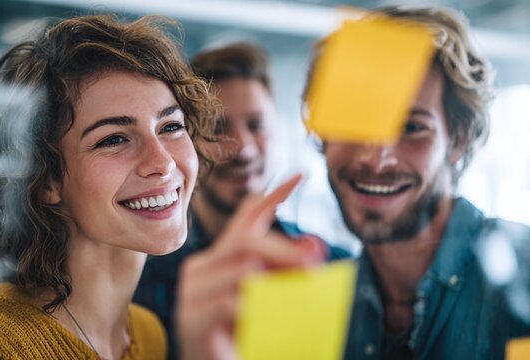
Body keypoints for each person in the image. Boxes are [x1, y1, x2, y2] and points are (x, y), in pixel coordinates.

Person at [176, 6, 530, 360]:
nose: (374, 160)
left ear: (459, 139)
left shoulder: (522, 273)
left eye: (411, 127)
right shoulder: (310, 308)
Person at [0, 14, 220, 359]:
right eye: (114, 139)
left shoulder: (147, 333)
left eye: (170, 127)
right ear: (46, 179)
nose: (163, 162)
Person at [134, 42, 349, 359]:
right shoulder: (141, 285)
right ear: (188, 142)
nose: (244, 149)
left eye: (256, 125)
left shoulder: (331, 265)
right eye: (219, 128)